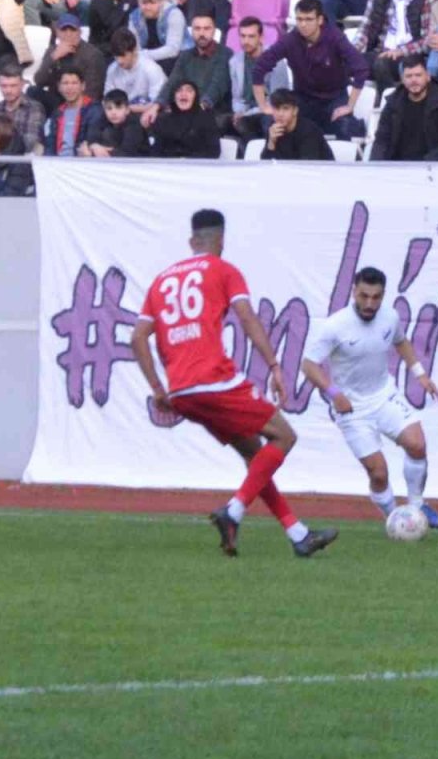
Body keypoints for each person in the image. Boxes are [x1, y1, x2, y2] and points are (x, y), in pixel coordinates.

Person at [130, 209, 339, 558]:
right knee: (285, 436)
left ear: (192, 241)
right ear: (221, 240)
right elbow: (247, 317)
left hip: (181, 391)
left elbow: (138, 338)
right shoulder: (224, 270)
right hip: (214, 380)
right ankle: (234, 511)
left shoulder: (161, 281)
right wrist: (274, 366)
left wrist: (158, 389)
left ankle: (299, 535)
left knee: (255, 455)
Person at [301, 266, 438, 528]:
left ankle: (417, 505)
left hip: (383, 396)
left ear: (383, 295)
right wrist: (334, 394)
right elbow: (309, 365)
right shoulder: (335, 326)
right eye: (364, 296)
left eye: (376, 297)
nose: (370, 303)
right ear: (353, 292)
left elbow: (401, 341)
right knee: (379, 474)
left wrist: (420, 374)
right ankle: (396, 519)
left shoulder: (389, 317)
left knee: (417, 444)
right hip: (352, 408)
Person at [251, 0, 370, 140]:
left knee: (346, 127)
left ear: (320, 20)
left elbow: (361, 68)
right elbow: (259, 67)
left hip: (334, 99)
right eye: (299, 19)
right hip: (303, 100)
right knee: (271, 122)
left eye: (308, 19)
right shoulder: (290, 40)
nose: (303, 24)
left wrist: (350, 106)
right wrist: (263, 106)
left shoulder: (335, 37)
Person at [370, 53, 438, 160]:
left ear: (428, 77)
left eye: (418, 75)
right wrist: (376, 165)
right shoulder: (393, 103)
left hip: (430, 165)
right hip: (396, 165)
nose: (414, 80)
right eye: (409, 76)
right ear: (402, 80)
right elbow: (381, 140)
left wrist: (426, 163)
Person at [155, 12, 233, 124]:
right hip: (188, 109)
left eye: (206, 28)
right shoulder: (185, 56)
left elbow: (216, 88)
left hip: (214, 112)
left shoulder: (225, 54)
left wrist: (196, 110)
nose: (202, 33)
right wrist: (157, 105)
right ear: (191, 31)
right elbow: (172, 82)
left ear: (214, 31)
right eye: (197, 28)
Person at [31, 13, 109, 113]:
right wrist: (53, 58)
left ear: (80, 32)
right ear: (57, 33)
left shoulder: (93, 55)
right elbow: (39, 80)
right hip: (57, 101)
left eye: (73, 30)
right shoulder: (53, 51)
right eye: (64, 30)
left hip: (81, 102)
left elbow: (93, 92)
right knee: (32, 91)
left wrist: (72, 106)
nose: (68, 34)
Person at [230, 16, 289, 140]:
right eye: (243, 36)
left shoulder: (276, 62)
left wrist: (247, 114)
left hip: (270, 111)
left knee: (266, 122)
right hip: (247, 112)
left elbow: (277, 101)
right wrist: (239, 112)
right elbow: (237, 98)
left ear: (261, 37)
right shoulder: (234, 62)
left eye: (251, 36)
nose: (246, 41)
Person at [128, 0, 193, 75]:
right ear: (138, 1)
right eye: (144, 3)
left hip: (179, 58)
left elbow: (173, 50)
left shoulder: (174, 14)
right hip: (150, 59)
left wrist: (143, 55)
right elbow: (135, 48)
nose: (148, 7)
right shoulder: (134, 17)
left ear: (161, 1)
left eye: (152, 3)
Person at [44, 66, 106, 156]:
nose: (70, 87)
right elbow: (50, 144)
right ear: (59, 87)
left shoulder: (94, 110)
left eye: (74, 83)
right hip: (57, 162)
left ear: (83, 86)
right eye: (65, 83)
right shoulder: (57, 113)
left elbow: (92, 139)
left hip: (81, 161)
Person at [150, 80, 222, 157]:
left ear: (195, 96)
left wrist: (186, 159)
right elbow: (156, 152)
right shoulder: (163, 120)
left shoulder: (206, 119)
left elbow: (213, 152)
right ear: (173, 97)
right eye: (179, 91)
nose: (183, 94)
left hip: (197, 163)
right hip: (168, 163)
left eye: (189, 91)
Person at [262, 89, 335, 160]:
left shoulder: (308, 131)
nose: (280, 114)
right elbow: (265, 164)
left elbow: (308, 163)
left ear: (295, 111)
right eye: (277, 109)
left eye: (285, 109)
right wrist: (271, 143)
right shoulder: (273, 129)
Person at [0, 63, 48, 152]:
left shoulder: (34, 108)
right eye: (4, 86)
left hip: (23, 158)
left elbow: (30, 142)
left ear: (22, 85)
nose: (8, 90)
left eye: (13, 85)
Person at [78, 89, 149, 157]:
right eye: (109, 108)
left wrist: (94, 153)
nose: (113, 112)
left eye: (118, 108)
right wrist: (94, 146)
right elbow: (91, 137)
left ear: (127, 110)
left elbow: (127, 153)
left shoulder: (134, 125)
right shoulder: (102, 119)